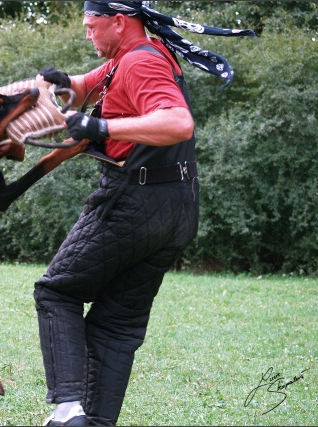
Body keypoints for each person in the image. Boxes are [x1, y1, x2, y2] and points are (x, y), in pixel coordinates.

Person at [33, 2, 256, 425]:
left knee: (56, 292)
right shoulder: (137, 57)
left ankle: (66, 411)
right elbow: (82, 87)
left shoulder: (138, 64)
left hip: (134, 201)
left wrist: (102, 128)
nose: (87, 35)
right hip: (178, 207)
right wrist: (57, 86)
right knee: (116, 326)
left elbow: (177, 123)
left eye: (91, 26)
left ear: (118, 22)